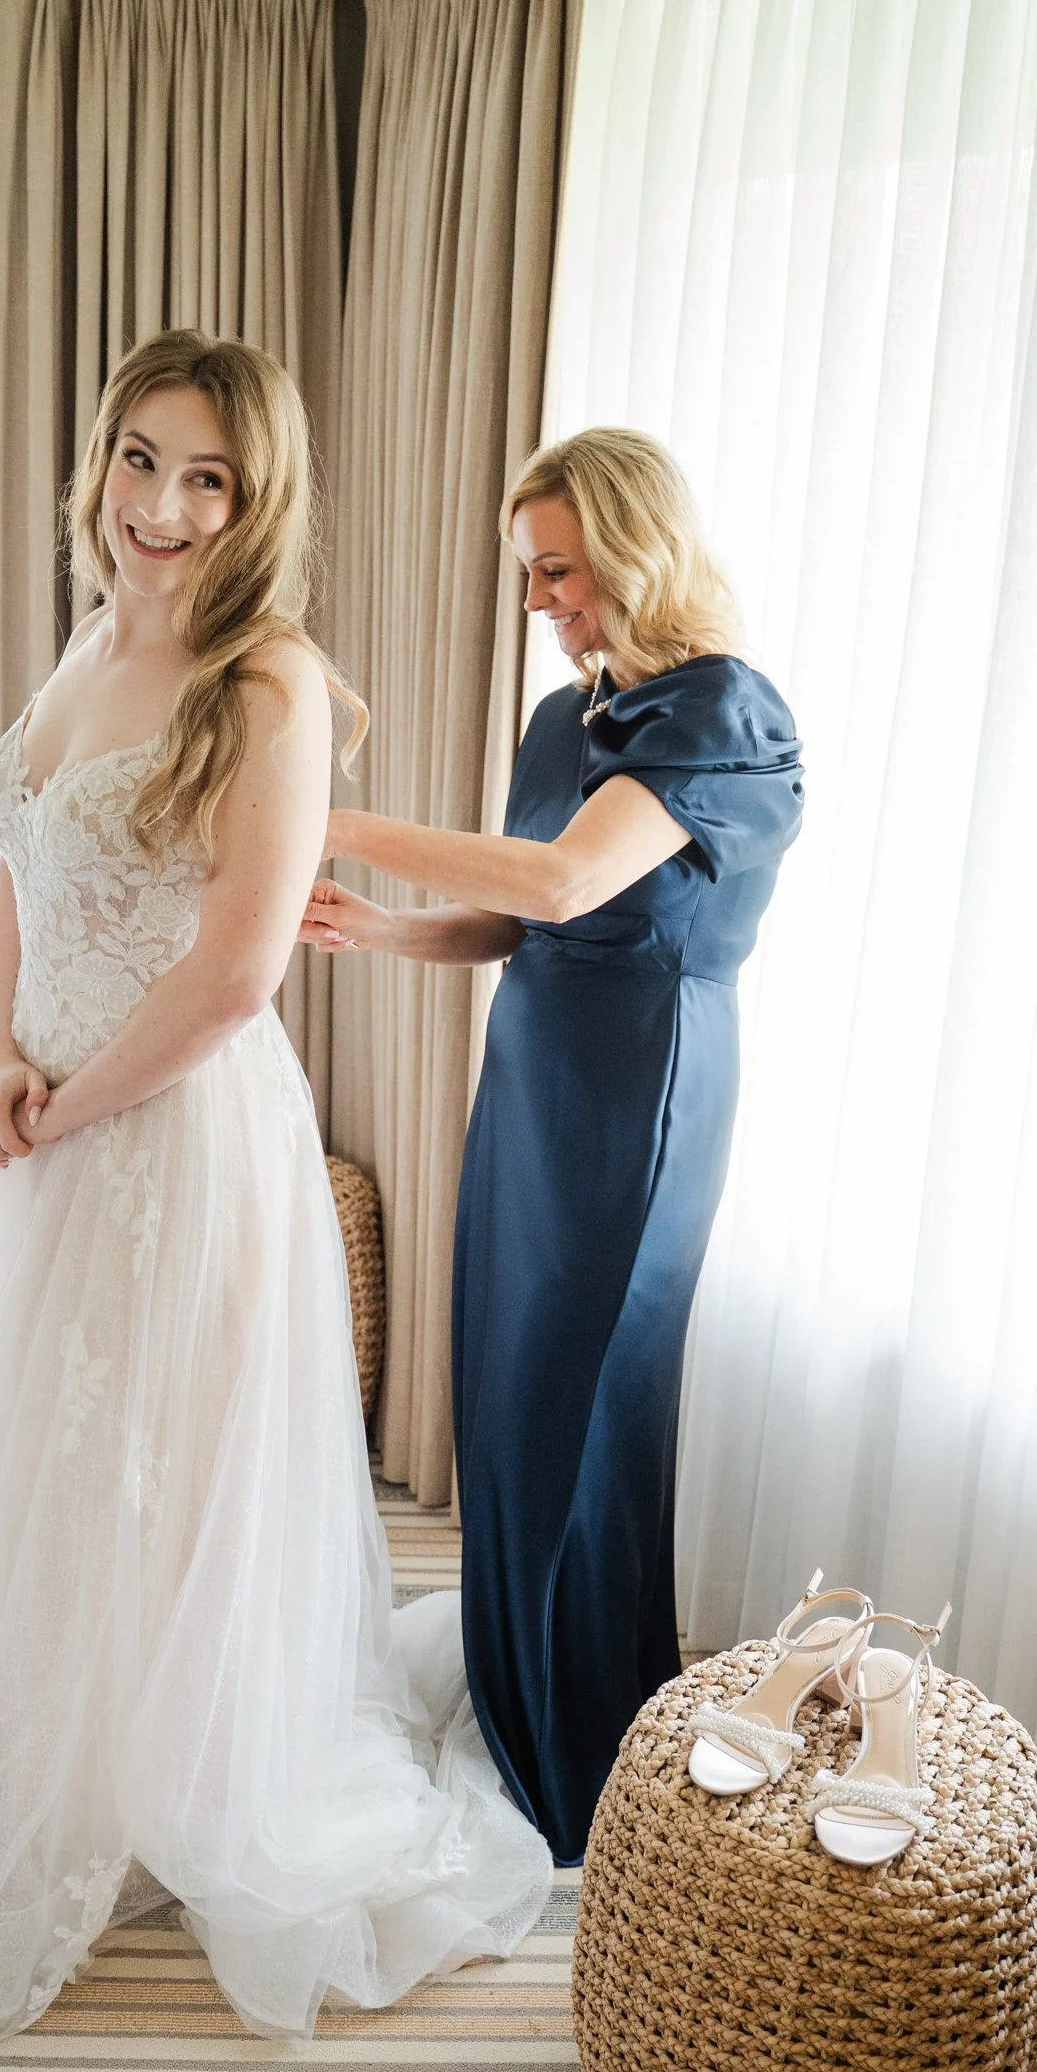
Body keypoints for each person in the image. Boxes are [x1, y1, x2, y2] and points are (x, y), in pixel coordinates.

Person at [0, 331, 551, 2043]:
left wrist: (64, 1107)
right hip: (53, 1121)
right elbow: (19, 868)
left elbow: (233, 975)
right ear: (103, 461)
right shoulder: (90, 637)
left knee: (160, 1463)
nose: (165, 506)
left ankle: (165, 1769)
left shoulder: (267, 683)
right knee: (50, 1449)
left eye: (210, 478)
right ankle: (54, 1733)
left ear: (255, 502)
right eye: (143, 459)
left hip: (176, 1135)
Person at [301, 428, 803, 1864]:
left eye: (560, 570)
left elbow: (573, 879)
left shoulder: (720, 713)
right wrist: (384, 928)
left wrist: (335, 821)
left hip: (639, 1093)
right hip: (530, 1080)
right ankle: (523, 1692)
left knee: (587, 1408)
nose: (538, 601)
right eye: (529, 572)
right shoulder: (562, 720)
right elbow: (523, 922)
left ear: (638, 552)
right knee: (509, 1397)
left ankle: (585, 1748)